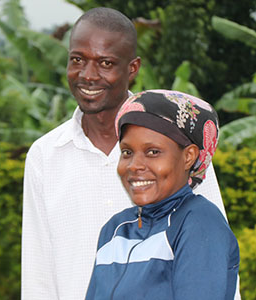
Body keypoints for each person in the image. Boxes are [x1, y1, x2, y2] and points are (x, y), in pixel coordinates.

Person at [21, 7, 240, 300]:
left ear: (132, 69)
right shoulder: (45, 156)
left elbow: (216, 261)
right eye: (77, 60)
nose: (87, 75)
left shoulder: (181, 148)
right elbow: (38, 275)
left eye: (105, 63)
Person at [86, 90, 239, 299]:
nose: (134, 166)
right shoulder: (114, 230)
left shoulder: (199, 222)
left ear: (188, 157)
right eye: (127, 152)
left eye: (153, 152)